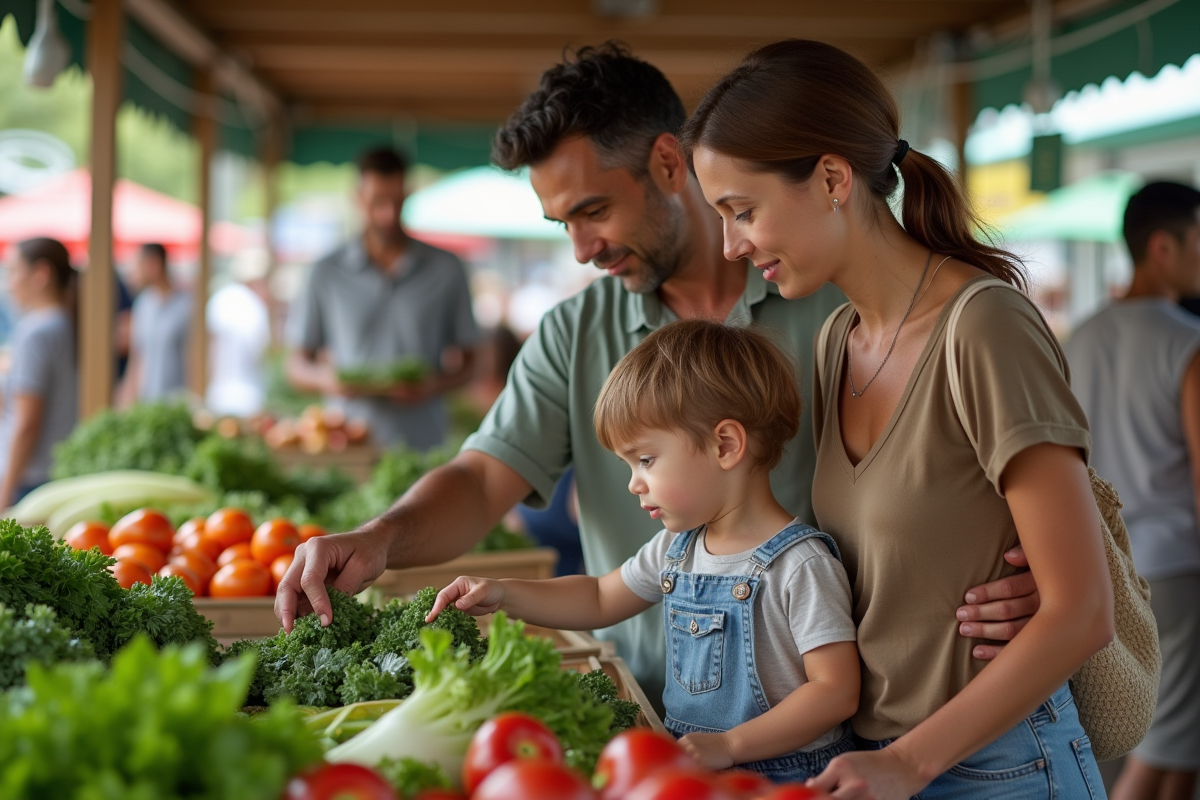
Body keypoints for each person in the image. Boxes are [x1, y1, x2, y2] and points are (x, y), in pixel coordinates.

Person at [276, 43, 1039, 705]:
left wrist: (1021, 569)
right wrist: (380, 539)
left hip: (846, 711)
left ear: (669, 164)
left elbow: (984, 478)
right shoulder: (576, 333)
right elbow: (481, 482)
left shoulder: (834, 297)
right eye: (562, 224)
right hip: (655, 708)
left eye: (594, 210)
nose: (582, 248)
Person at [681, 39, 1113, 799]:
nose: (730, 245)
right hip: (878, 763)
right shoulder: (835, 341)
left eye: (742, 211)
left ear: (833, 178)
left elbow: (1081, 611)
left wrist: (911, 761)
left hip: (1003, 766)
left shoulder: (983, 327)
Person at [429, 319, 859, 781]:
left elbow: (836, 690)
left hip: (788, 780)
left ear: (726, 445)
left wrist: (731, 745)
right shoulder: (677, 548)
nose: (634, 482)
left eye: (646, 460)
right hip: (693, 773)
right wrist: (504, 594)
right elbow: (598, 597)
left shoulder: (801, 565)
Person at [1066, 182, 1200, 800]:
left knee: (1161, 751)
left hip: (1105, 569)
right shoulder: (1186, 342)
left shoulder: (1082, 337)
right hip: (1176, 573)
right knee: (1163, 751)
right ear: (1164, 247)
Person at [285, 147, 480, 451]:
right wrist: (330, 381)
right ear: (358, 198)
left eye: (397, 202)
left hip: (424, 444)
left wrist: (433, 385)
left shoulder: (447, 269)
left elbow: (472, 363)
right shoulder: (325, 272)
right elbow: (296, 365)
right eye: (378, 202)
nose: (388, 214)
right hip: (347, 444)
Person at [0, 238, 77, 507]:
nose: (9, 284)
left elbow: (27, 424)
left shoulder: (37, 331)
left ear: (41, 274)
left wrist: (5, 491)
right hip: (52, 473)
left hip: (29, 479)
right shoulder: (62, 323)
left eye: (13, 271)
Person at [121, 242, 191, 404]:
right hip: (148, 403)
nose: (134, 273)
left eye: (138, 265)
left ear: (154, 264)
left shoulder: (186, 306)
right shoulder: (143, 304)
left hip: (178, 404)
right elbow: (137, 358)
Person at [206, 249, 272, 417]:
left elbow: (210, 348)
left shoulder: (220, 299)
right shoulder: (255, 307)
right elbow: (261, 352)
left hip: (218, 394)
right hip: (249, 398)